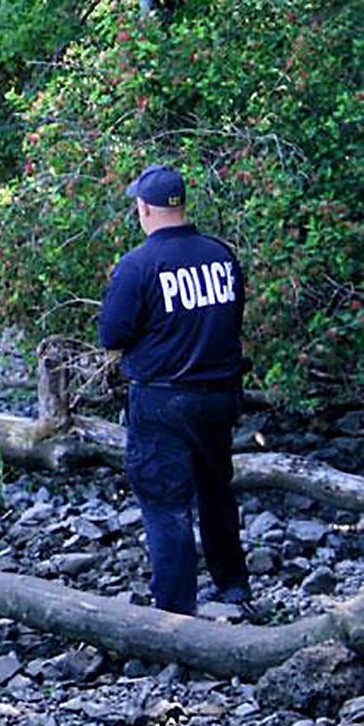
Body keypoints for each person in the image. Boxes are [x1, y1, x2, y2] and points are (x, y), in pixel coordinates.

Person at [99, 164, 251, 616]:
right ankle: (234, 585)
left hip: (163, 397)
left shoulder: (138, 265)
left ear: (144, 209)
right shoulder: (221, 255)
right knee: (216, 488)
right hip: (219, 393)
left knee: (165, 503)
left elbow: (114, 333)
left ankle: (174, 612)